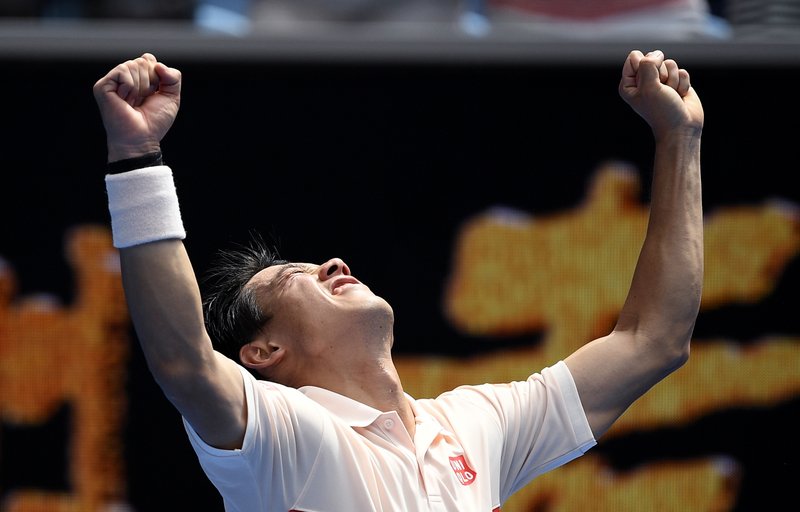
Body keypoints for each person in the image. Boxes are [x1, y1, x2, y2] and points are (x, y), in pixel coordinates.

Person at [93, 49, 704, 511]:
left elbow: (653, 340)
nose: (332, 264)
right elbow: (183, 361)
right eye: (292, 277)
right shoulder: (281, 438)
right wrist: (137, 157)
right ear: (263, 351)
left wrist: (679, 139)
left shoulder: (474, 424)